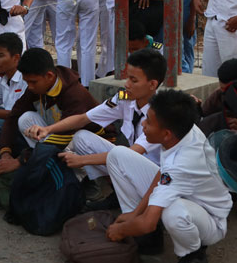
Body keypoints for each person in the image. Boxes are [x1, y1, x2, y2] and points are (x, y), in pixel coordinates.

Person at [105, 90, 233, 263]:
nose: (143, 124)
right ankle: (148, 239)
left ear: (166, 134)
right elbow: (163, 173)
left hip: (210, 219)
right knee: (118, 155)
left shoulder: (182, 164)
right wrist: (135, 214)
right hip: (186, 191)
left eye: (149, 122)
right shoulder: (184, 128)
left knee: (173, 213)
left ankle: (192, 255)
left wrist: (119, 231)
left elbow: (148, 222)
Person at [34, 49, 166, 216]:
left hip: (157, 178)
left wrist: (82, 160)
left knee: (120, 153)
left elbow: (131, 155)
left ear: (152, 84)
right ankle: (119, 195)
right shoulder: (126, 98)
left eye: (133, 80)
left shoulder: (162, 113)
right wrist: (48, 129)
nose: (126, 84)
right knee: (82, 138)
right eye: (127, 78)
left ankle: (133, 211)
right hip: (131, 164)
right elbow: (84, 118)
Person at [0, 48, 109, 176]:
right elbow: (13, 115)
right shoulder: (37, 88)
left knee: (79, 137)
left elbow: (60, 140)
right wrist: (5, 153)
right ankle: (49, 167)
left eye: (33, 82)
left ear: (49, 76)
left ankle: (86, 180)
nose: (30, 87)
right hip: (63, 138)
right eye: (27, 82)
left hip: (93, 143)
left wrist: (20, 161)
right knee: (26, 118)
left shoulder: (74, 95)